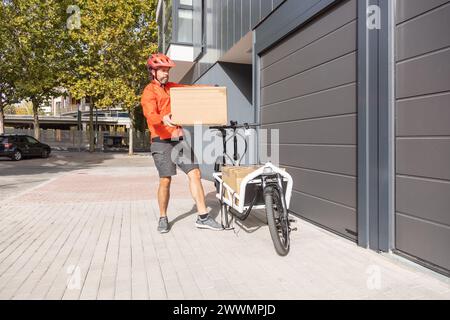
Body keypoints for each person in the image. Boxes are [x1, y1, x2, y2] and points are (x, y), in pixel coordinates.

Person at [141, 53, 223, 233]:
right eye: (162, 70)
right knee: (165, 180)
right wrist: (163, 118)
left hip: (178, 138)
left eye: (167, 70)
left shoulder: (172, 87)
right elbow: (150, 114)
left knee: (195, 173)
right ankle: (163, 217)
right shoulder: (149, 91)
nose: (166, 74)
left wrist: (211, 89)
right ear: (153, 72)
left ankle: (203, 217)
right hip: (161, 141)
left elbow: (189, 90)